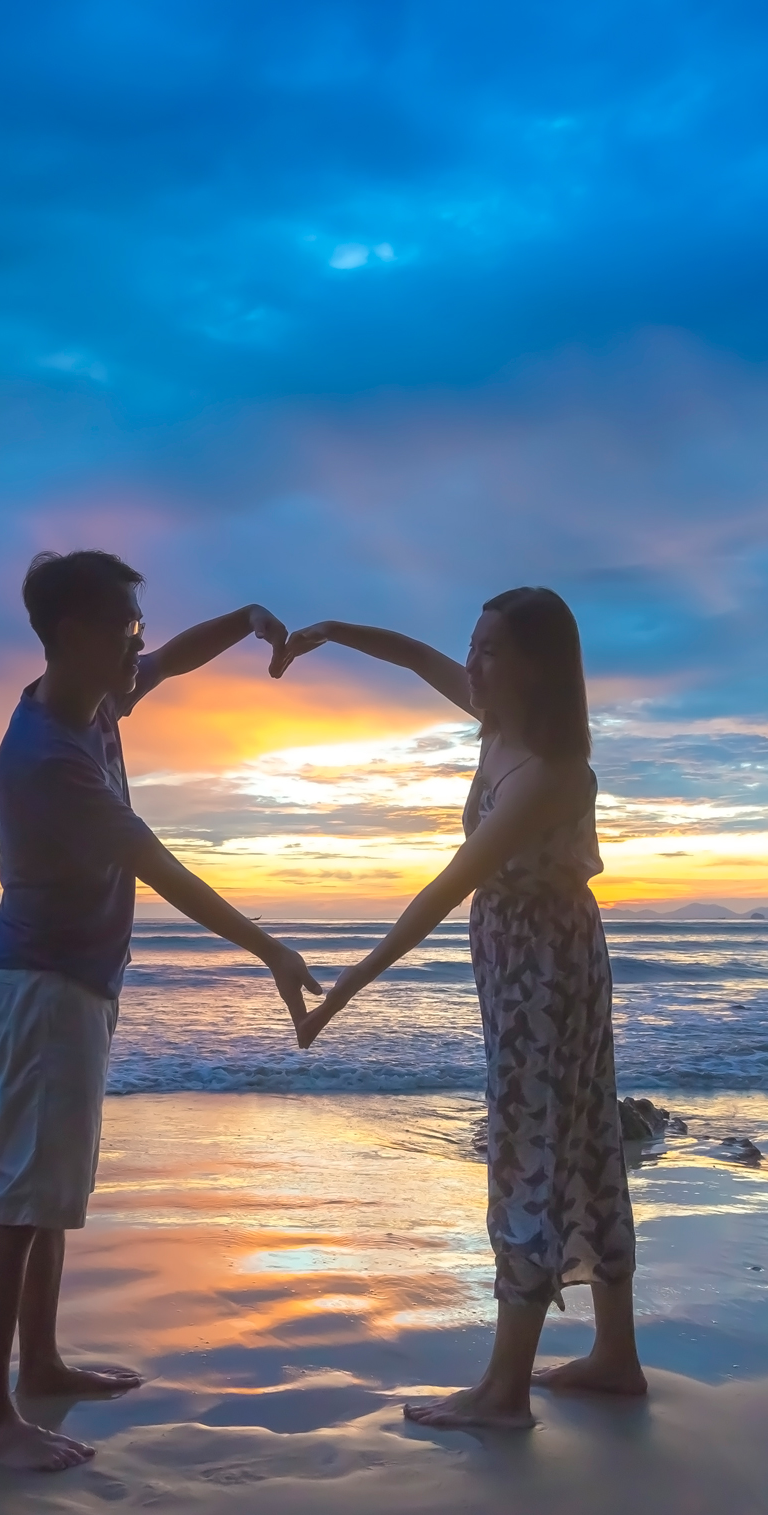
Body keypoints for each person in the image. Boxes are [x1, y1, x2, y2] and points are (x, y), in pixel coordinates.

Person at [0, 549, 323, 1472]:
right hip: (44, 987)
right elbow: (160, 868)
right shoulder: (47, 759)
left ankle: (39, 1362)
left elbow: (173, 663)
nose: (141, 644)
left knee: (50, 1191)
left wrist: (244, 618)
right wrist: (274, 951)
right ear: (75, 635)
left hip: (73, 980)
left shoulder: (94, 698)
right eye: (128, 627)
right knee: (19, 1198)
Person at [283, 588, 643, 1429]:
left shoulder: (551, 774)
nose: (472, 664)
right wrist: (334, 631)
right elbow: (414, 656)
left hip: (542, 983)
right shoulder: (499, 725)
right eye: (472, 647)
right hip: (540, 965)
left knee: (535, 1149)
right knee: (581, 1139)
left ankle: (503, 1391)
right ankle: (615, 1359)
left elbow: (444, 890)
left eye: (488, 651)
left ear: (534, 666)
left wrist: (342, 990)